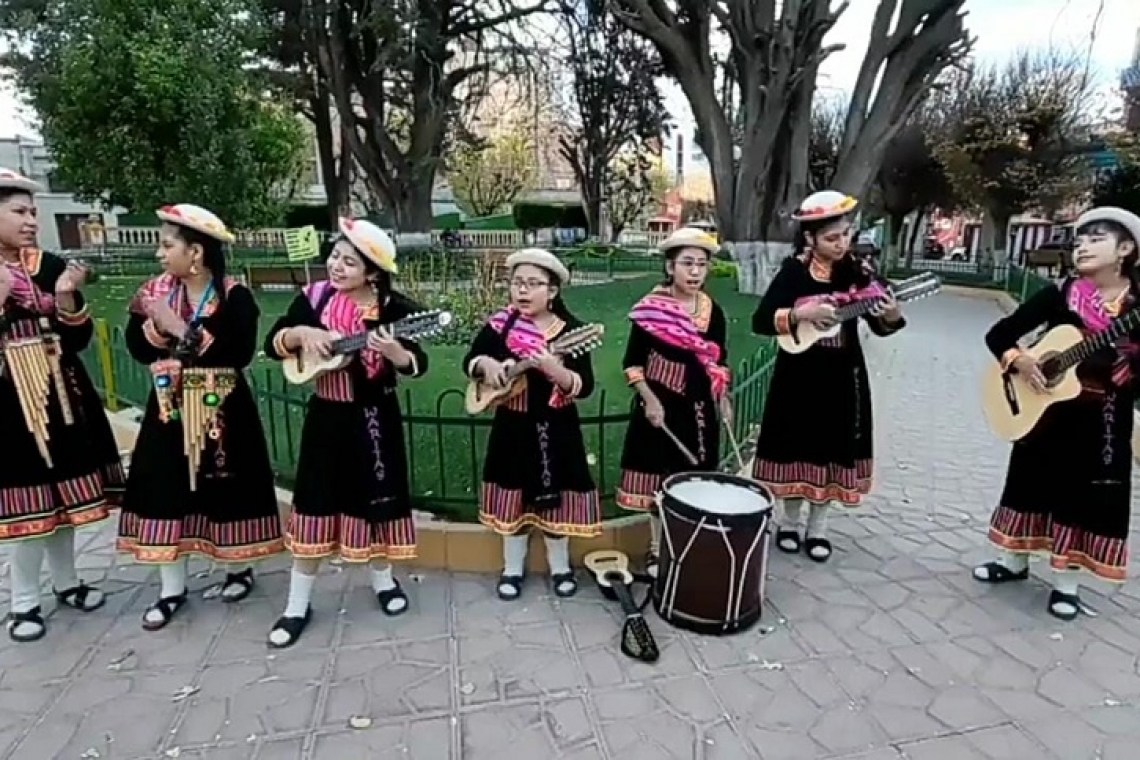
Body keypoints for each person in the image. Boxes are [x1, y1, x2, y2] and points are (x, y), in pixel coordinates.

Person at [264, 218, 428, 648]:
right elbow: (273, 341)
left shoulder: (394, 310)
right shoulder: (314, 298)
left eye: (349, 262)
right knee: (315, 501)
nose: (336, 266)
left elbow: (418, 363)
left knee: (379, 499)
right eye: (335, 256)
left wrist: (396, 352)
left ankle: (383, 581)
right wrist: (303, 333)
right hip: (327, 419)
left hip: (375, 420)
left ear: (372, 272)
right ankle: (297, 604)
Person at [118, 204, 284, 630]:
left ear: (196, 252)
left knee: (225, 482)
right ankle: (171, 587)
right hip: (169, 406)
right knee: (164, 485)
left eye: (167, 245)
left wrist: (182, 330)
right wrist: (156, 329)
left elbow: (239, 351)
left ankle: (236, 568)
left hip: (223, 405)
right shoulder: (153, 292)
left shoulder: (235, 296)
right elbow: (136, 345)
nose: (160, 253)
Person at [974, 206, 1140, 621]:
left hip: (1103, 418)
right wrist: (1020, 361)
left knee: (1088, 496)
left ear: (1126, 249)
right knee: (1029, 484)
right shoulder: (1061, 294)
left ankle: (1067, 583)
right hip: (1044, 414)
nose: (1082, 246)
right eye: (1080, 239)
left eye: (1096, 239)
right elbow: (999, 334)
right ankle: (1013, 562)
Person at [0, 168, 126, 642]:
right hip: (10, 402)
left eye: (32, 212)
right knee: (28, 504)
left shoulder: (49, 266)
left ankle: (68, 582)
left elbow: (78, 336)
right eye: (19, 212)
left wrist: (68, 297)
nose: (30, 220)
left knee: (66, 501)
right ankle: (24, 602)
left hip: (63, 394)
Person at [751, 190, 905, 563]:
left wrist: (890, 313)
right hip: (798, 375)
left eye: (846, 234)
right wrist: (800, 315)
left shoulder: (859, 273)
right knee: (795, 445)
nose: (841, 244)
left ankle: (818, 528)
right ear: (810, 238)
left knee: (833, 448)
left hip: (841, 376)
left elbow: (882, 324)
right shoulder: (794, 272)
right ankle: (788, 522)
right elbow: (761, 320)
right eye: (831, 238)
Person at [463, 248, 601, 600]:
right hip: (512, 426)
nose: (522, 291)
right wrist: (486, 367)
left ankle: (561, 568)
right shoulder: (501, 325)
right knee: (515, 499)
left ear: (552, 291)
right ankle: (512, 568)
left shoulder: (572, 332)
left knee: (556, 499)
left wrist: (556, 371)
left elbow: (584, 386)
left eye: (533, 284)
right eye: (517, 283)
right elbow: (471, 361)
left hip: (556, 428)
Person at [616, 227, 732, 576]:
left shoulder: (714, 312)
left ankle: (687, 545)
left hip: (697, 409)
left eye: (701, 264)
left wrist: (723, 399)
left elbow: (718, 362)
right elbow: (632, 364)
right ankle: (656, 551)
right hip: (659, 409)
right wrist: (650, 401)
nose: (695, 272)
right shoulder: (650, 310)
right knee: (657, 484)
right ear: (670, 268)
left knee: (693, 479)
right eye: (686, 264)